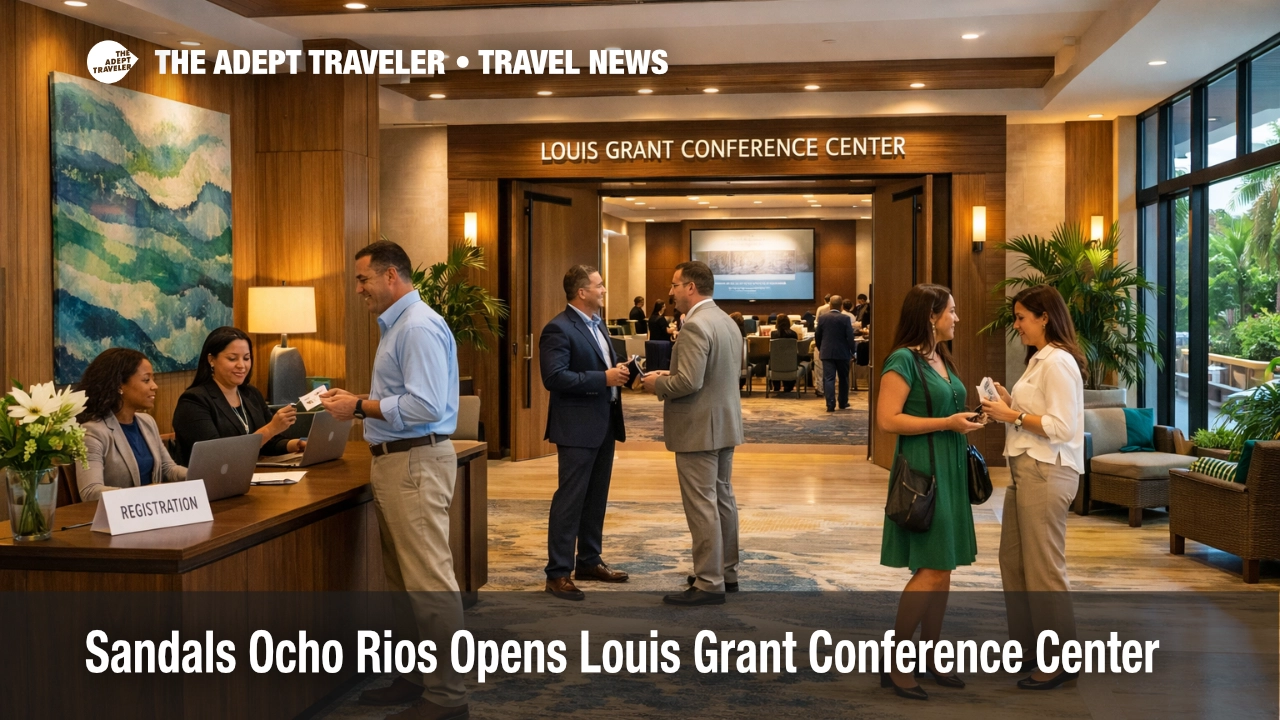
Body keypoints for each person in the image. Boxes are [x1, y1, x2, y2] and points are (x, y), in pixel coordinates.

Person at [319, 240, 468, 720]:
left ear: (390, 276)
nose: (358, 288)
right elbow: (406, 396)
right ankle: (417, 679)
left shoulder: (418, 326)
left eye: (362, 279)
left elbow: (425, 407)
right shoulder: (399, 325)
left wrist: (358, 408)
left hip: (415, 464)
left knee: (428, 583)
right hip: (398, 462)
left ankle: (447, 698)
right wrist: (360, 397)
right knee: (403, 581)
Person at [877, 283, 984, 700]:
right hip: (924, 473)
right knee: (932, 568)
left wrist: (969, 420)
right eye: (951, 311)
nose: (956, 318)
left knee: (945, 566)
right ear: (930, 316)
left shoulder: (940, 357)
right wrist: (946, 424)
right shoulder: (902, 360)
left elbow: (945, 409)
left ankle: (933, 656)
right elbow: (888, 421)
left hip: (951, 469)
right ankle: (897, 663)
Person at [979, 285, 1085, 691]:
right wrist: (1009, 403)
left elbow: (1061, 426)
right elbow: (1036, 413)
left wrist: (1014, 415)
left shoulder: (1058, 362)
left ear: (1045, 317)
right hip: (1026, 470)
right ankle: (1028, 648)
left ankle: (1059, 660)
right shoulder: (1039, 360)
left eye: (1022, 318)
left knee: (1043, 568)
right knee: (1015, 561)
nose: (1017, 325)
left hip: (1047, 471)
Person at [641, 261, 743, 607]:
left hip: (699, 428)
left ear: (691, 287)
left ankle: (709, 582)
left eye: (674, 285)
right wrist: (669, 373)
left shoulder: (696, 325)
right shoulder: (727, 322)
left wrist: (658, 383)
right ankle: (725, 572)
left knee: (702, 505)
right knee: (722, 500)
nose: (670, 292)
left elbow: (689, 382)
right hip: (724, 423)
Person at [539, 265, 631, 602]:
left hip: (604, 422)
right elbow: (555, 378)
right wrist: (602, 379)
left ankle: (589, 561)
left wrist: (620, 372)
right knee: (570, 499)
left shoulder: (597, 325)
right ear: (582, 292)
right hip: (576, 427)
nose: (604, 289)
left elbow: (601, 368)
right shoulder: (558, 329)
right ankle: (557, 573)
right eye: (599, 285)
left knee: (596, 498)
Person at [171, 326, 303, 465]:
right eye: (232, 358)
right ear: (211, 360)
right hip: (211, 482)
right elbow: (216, 454)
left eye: (246, 358)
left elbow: (269, 444)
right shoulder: (193, 401)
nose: (242, 365)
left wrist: (295, 445)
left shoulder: (251, 394)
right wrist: (270, 429)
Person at [75, 348, 187, 503]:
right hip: (115, 520)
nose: (155, 386)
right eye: (146, 380)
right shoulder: (93, 432)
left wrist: (199, 474)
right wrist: (144, 495)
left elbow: (167, 469)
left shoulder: (147, 422)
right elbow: (90, 491)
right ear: (119, 386)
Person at [815, 294, 856, 411]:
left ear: (830, 305)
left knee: (828, 378)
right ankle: (843, 402)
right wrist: (852, 351)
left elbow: (817, 336)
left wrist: (820, 348)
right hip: (842, 353)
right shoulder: (845, 319)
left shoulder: (823, 318)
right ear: (841, 306)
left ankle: (830, 404)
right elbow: (850, 337)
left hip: (827, 352)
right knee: (843, 378)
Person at [770, 315, 799, 393]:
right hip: (791, 365)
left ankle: (776, 386)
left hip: (776, 365)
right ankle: (788, 386)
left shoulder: (773, 334)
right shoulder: (794, 334)